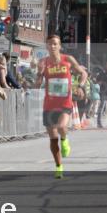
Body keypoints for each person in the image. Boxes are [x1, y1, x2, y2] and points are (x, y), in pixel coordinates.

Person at [36, 35, 89, 179]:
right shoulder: (43, 62)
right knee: (53, 139)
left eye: (55, 44)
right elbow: (37, 83)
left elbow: (83, 73)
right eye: (49, 44)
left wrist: (81, 86)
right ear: (46, 46)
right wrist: (39, 74)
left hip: (65, 102)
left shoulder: (68, 59)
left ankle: (64, 139)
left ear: (59, 46)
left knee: (61, 127)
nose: (52, 46)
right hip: (49, 104)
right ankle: (59, 166)